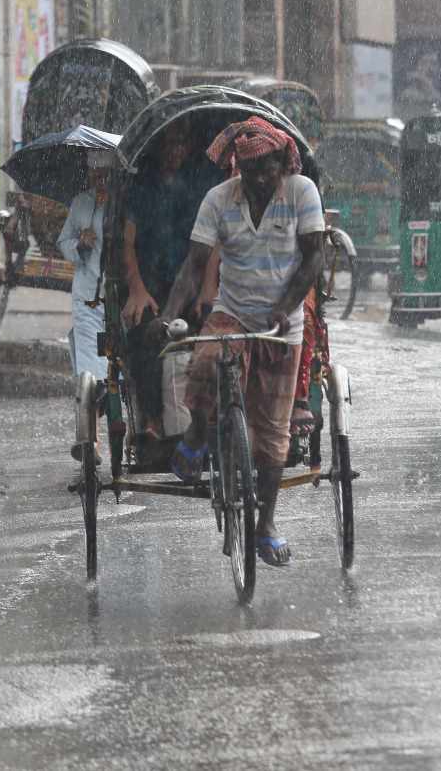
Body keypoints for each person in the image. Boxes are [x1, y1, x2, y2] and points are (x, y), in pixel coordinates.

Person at [159, 118, 325, 568]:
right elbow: (194, 265)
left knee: (273, 434)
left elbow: (314, 258)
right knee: (205, 362)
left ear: (282, 164)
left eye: (267, 169)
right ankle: (197, 434)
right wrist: (170, 313)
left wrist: (285, 306)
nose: (259, 179)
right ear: (237, 167)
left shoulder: (302, 193)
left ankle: (265, 524)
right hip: (231, 311)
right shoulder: (219, 199)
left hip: (282, 321)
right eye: (250, 171)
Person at [120, 118, 221, 431]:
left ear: (189, 147)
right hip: (151, 284)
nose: (175, 151)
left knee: (215, 339)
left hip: (193, 282)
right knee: (146, 339)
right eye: (169, 143)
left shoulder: (199, 185)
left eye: (181, 143)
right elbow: (126, 242)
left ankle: (214, 420)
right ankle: (152, 422)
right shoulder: (141, 186)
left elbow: (212, 241)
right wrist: (137, 289)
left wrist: (206, 289)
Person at [58, 150, 114, 379]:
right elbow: (64, 241)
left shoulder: (124, 202)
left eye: (104, 175)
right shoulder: (81, 202)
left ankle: (112, 395)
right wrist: (80, 245)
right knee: (90, 360)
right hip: (87, 293)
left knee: (114, 359)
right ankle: (94, 394)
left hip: (116, 296)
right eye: (95, 175)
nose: (100, 181)